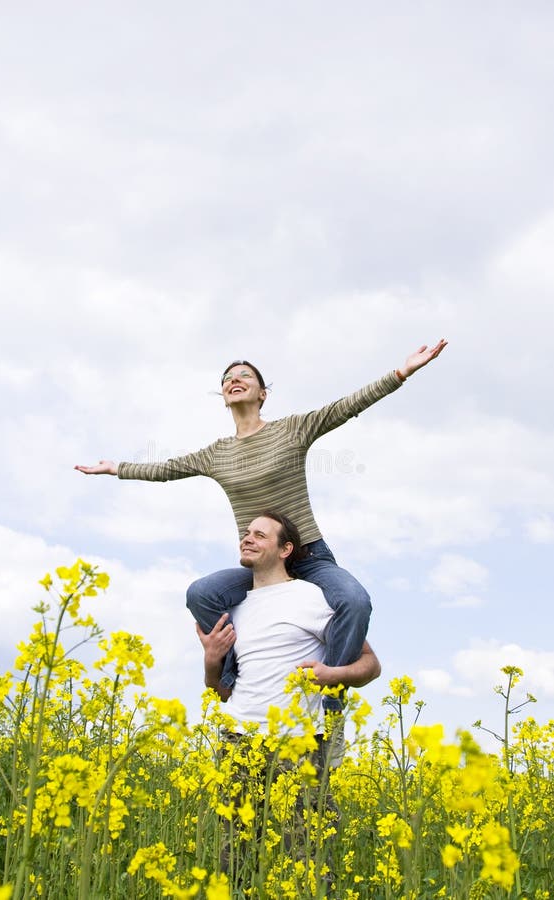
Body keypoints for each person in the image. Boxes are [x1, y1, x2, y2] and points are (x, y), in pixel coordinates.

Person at [75, 340, 446, 696]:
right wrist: (116, 468)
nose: (234, 379)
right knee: (202, 594)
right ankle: (236, 681)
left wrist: (401, 372)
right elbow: (167, 469)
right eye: (227, 378)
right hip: (261, 567)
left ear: (263, 393)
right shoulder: (216, 454)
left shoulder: (291, 430)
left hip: (309, 557)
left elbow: (345, 406)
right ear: (223, 396)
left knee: (354, 601)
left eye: (244, 375)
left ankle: (329, 691)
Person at [195, 510, 380, 892]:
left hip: (300, 742)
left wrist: (333, 675)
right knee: (235, 865)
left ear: (286, 549)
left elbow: (370, 664)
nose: (247, 538)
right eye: (246, 533)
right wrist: (212, 661)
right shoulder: (236, 607)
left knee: (310, 862)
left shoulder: (312, 597)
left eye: (260, 535)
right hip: (239, 740)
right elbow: (221, 692)